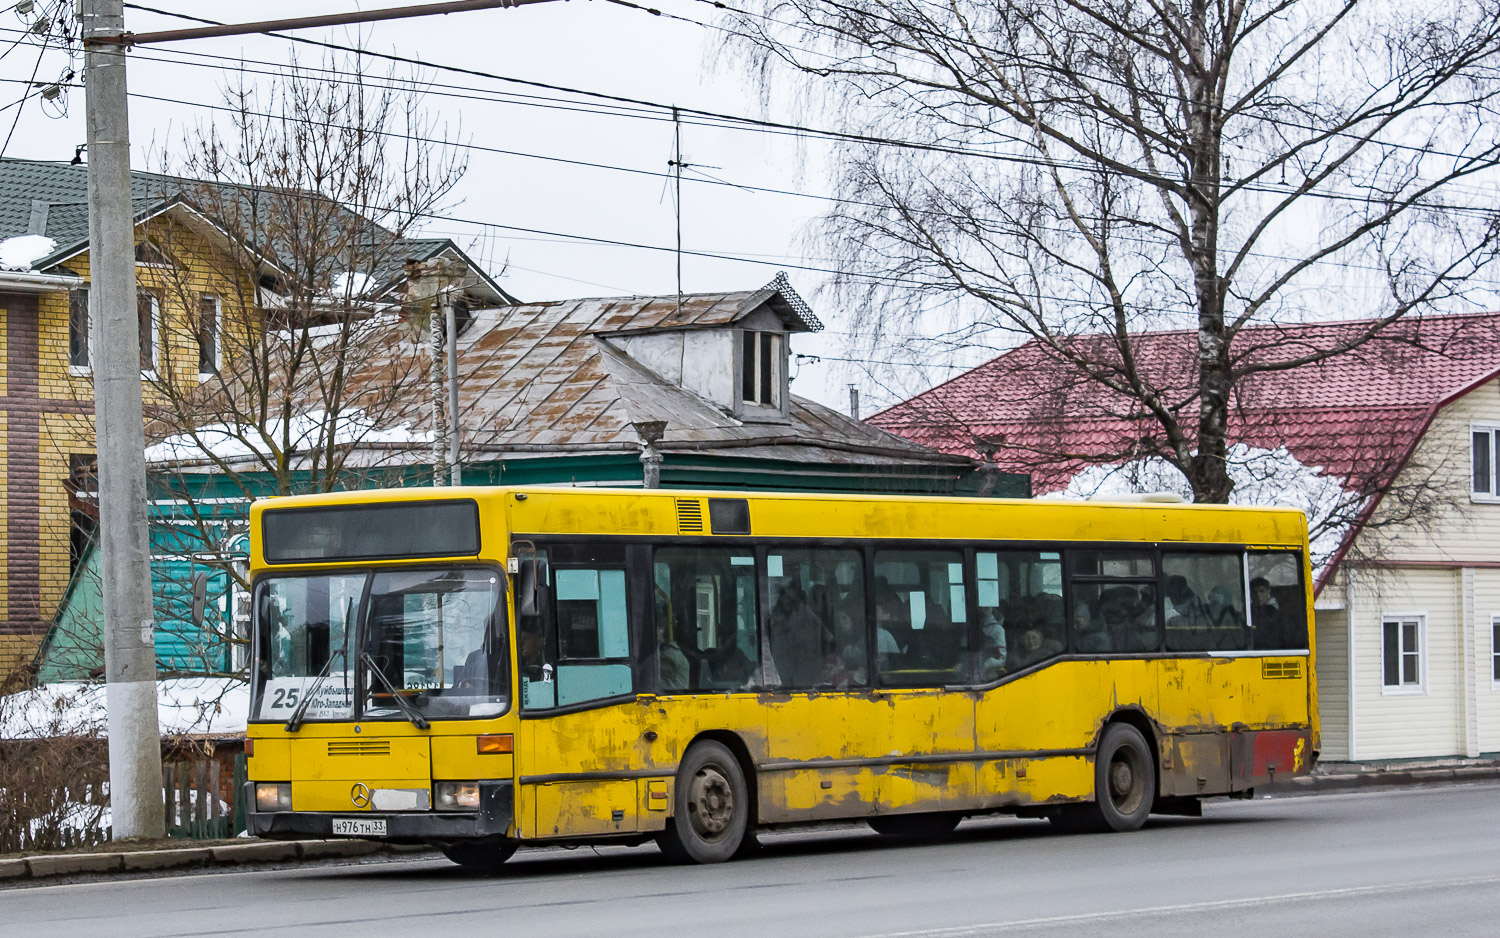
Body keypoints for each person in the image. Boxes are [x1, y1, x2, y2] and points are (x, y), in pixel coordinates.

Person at [1250, 576, 1290, 648]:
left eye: (1262, 591)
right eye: (1254, 592)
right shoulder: (1248, 612)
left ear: (1268, 592)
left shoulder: (1274, 612)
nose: (1258, 595)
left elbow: (1283, 635)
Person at [979, 607, 1007, 679]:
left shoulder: (997, 629)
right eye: (981, 607)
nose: (983, 609)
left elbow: (1001, 660)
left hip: (989, 677)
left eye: (987, 607)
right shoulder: (964, 627)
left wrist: (987, 664)